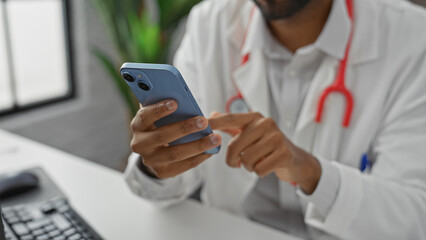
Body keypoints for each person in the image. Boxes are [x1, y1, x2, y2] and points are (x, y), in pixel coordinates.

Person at [124, 0, 426, 239]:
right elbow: (167, 184)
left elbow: (415, 217)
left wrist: (310, 171)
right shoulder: (210, 23)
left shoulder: (412, 38)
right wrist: (157, 164)